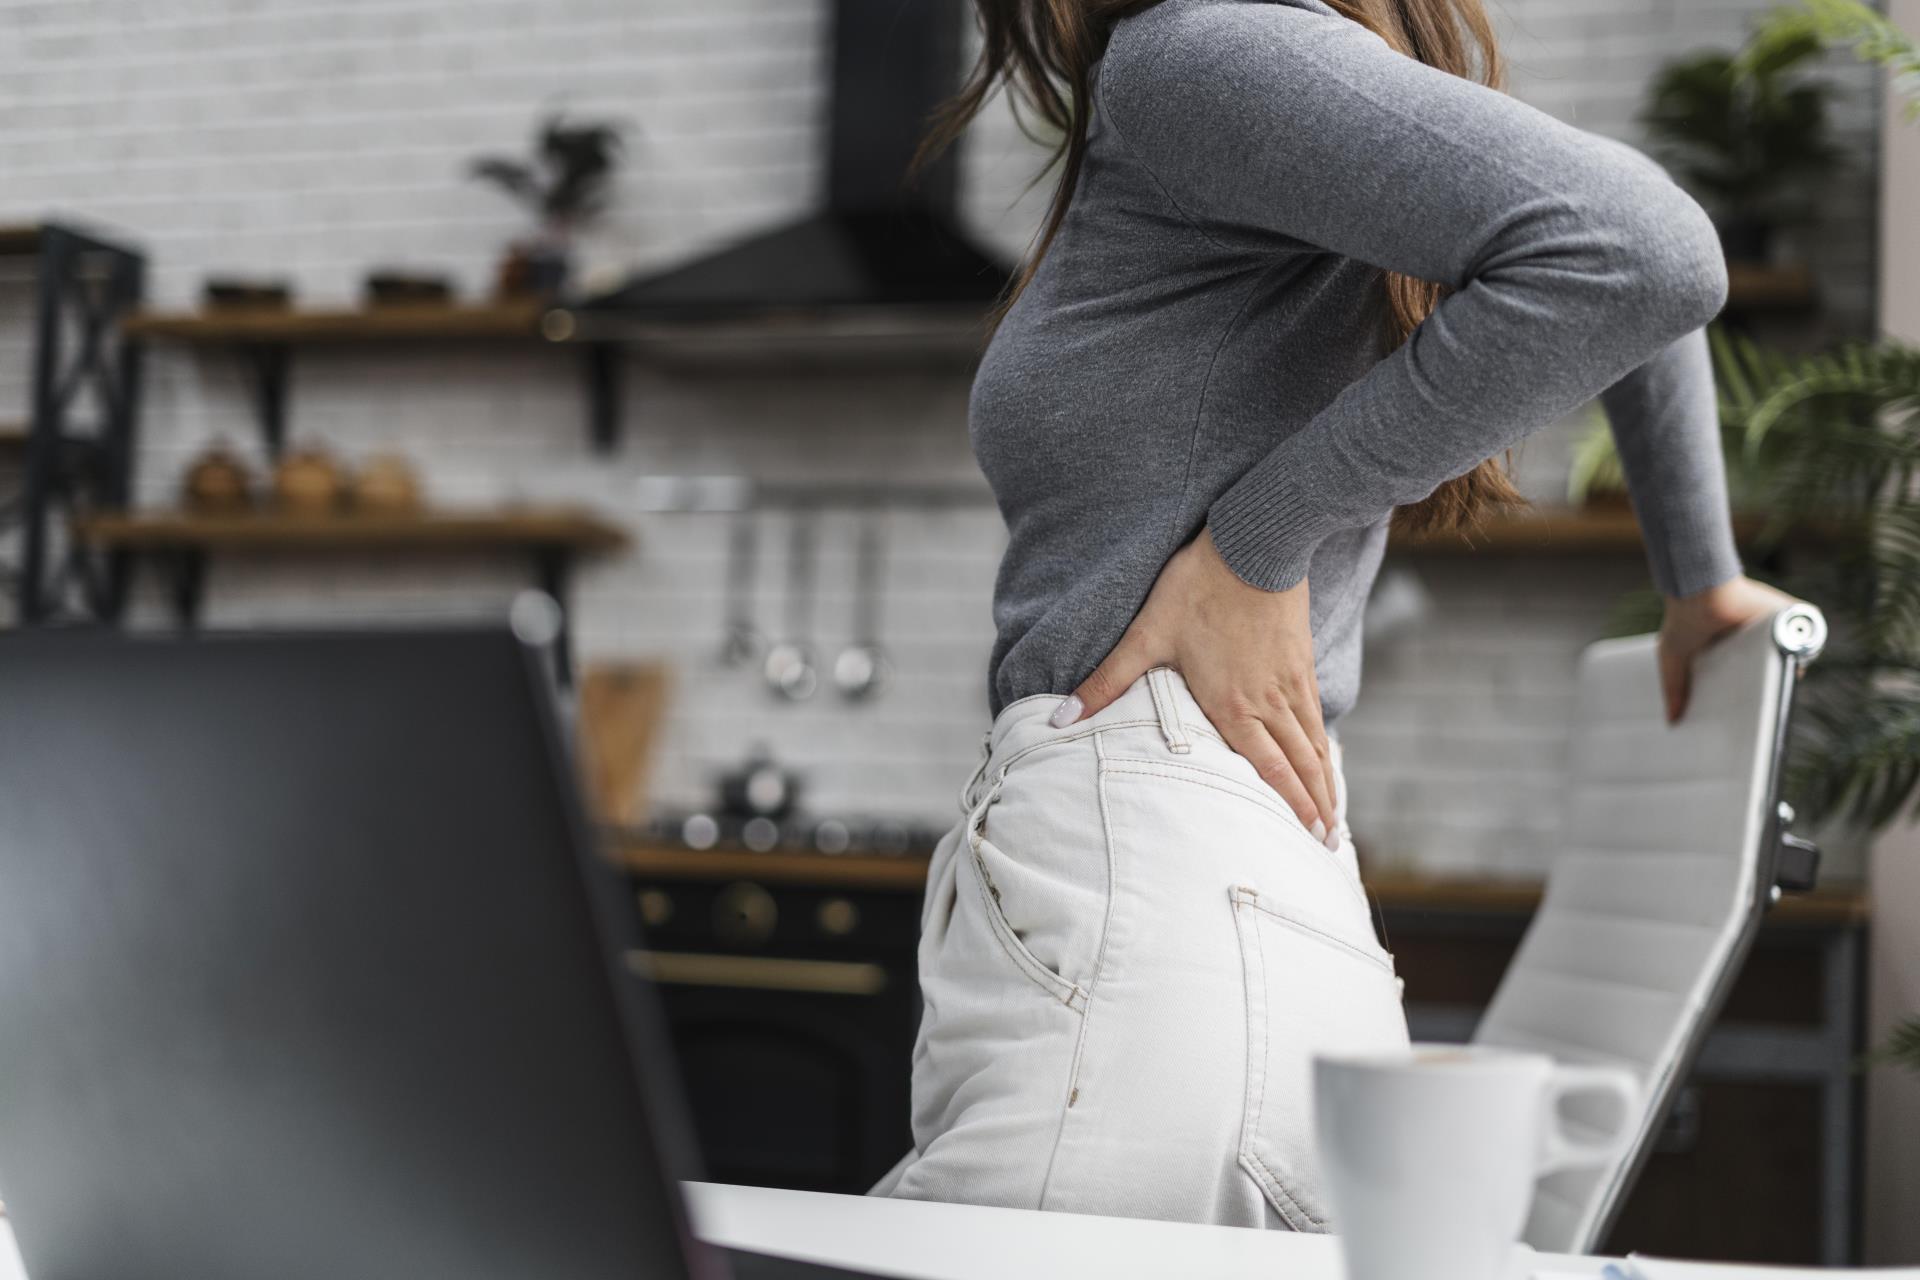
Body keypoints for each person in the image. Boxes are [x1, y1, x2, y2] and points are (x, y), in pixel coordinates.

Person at [873, 0, 1796, 1229]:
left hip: (1152, 914)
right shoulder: (1259, 70)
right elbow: (1629, 231)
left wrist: (1257, 544)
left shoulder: (1190, 54)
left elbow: (1643, 251)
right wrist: (1698, 577)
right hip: (1212, 911)